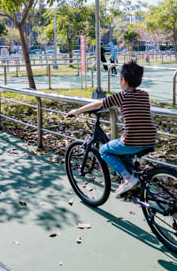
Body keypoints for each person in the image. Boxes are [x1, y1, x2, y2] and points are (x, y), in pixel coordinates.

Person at [67, 61, 156, 197]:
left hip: (132, 141)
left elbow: (99, 103)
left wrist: (78, 111)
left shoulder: (122, 96)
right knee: (124, 154)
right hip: (150, 139)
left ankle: (128, 178)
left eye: (120, 78)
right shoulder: (144, 94)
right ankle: (134, 183)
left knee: (103, 150)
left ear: (124, 81)